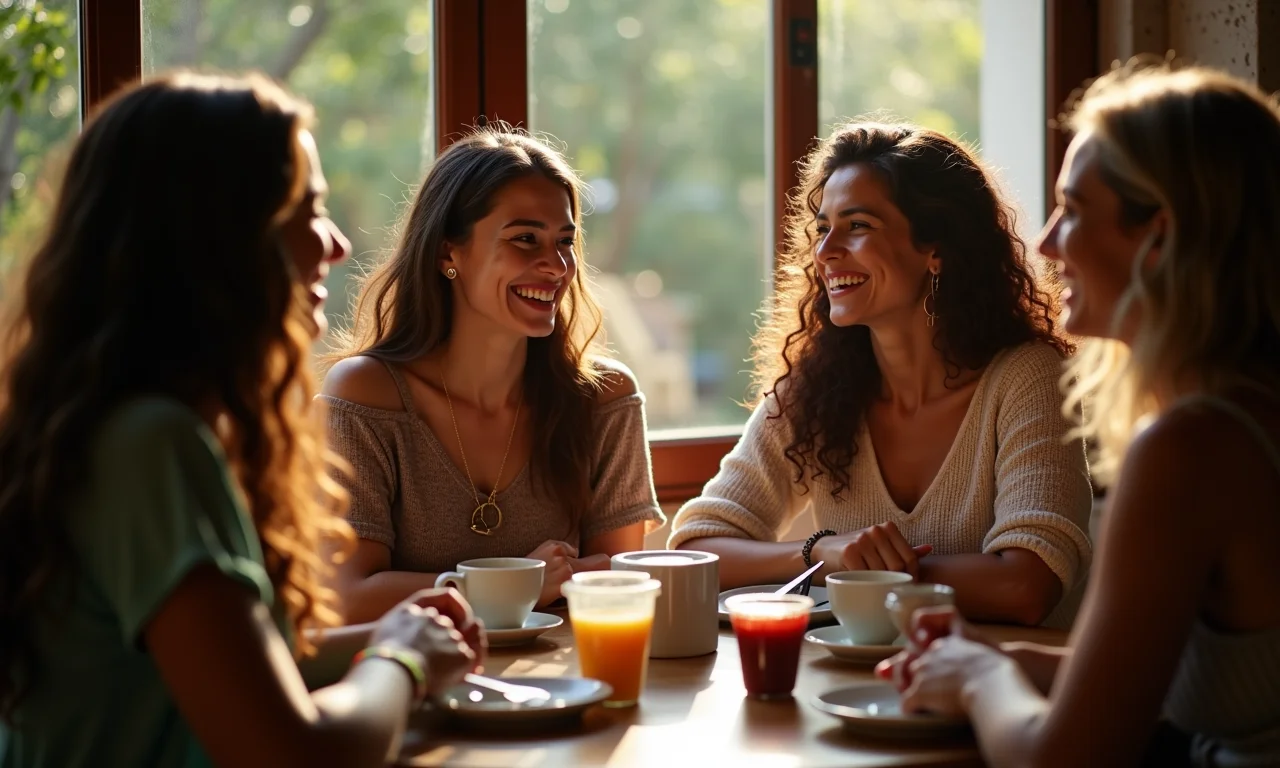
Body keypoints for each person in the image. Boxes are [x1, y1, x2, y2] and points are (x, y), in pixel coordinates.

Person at [0, 72, 484, 768]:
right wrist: (402, 662)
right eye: (309, 211)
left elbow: (244, 671)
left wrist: (402, 632)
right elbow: (293, 754)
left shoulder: (124, 430)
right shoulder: (149, 446)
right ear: (221, 235)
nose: (338, 243)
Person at [881, 62, 1280, 767]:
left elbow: (1062, 758)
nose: (1046, 244)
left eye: (1073, 211)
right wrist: (991, 655)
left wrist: (980, 680)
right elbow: (1147, 681)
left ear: (1157, 236)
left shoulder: (1193, 449)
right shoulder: (1244, 415)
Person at [669, 121, 1094, 628]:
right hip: (848, 692)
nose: (825, 252)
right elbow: (694, 549)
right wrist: (823, 554)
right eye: (823, 227)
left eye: (858, 226)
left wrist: (869, 573)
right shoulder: (817, 388)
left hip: (1003, 690)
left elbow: (1026, 585)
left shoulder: (1029, 377)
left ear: (935, 248)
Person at [321, 124, 664, 624]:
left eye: (564, 241)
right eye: (525, 239)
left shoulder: (604, 397)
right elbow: (349, 598)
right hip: (421, 686)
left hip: (568, 681)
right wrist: (517, 581)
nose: (556, 265)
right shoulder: (366, 395)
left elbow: (620, 581)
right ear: (447, 252)